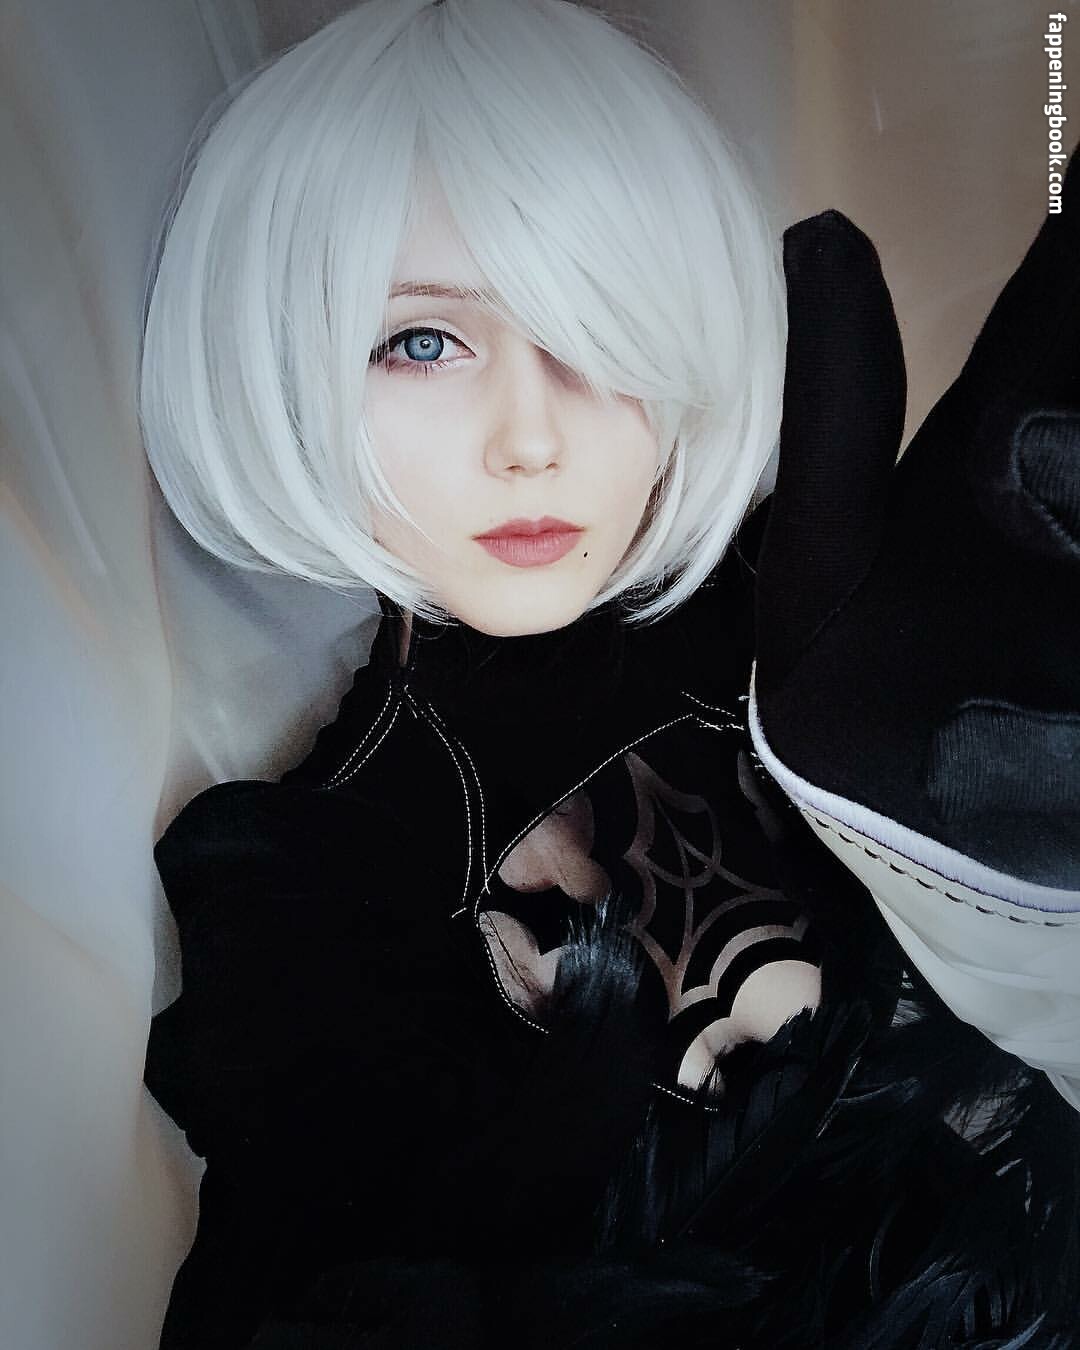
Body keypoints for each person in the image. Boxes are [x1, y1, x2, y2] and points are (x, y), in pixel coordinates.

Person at [138, 0, 1080, 1345]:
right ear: (280, 365)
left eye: (597, 333)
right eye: (421, 342)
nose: (529, 438)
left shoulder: (849, 605)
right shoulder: (317, 876)